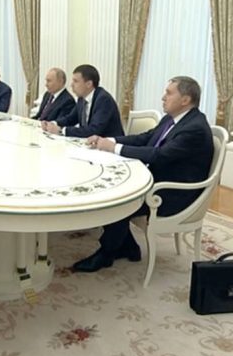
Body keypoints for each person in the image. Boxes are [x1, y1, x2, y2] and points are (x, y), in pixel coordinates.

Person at [73, 76, 214, 272]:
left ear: (185, 99)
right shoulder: (172, 118)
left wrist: (114, 148)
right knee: (112, 190)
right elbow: (146, 138)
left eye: (169, 93)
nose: (163, 97)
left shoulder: (194, 128)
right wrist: (110, 140)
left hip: (173, 193)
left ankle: (106, 254)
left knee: (116, 201)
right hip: (158, 178)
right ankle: (127, 247)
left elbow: (159, 155)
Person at [42, 64, 124, 138]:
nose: (71, 85)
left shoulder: (103, 100)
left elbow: (94, 130)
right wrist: (53, 123)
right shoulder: (81, 98)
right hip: (89, 143)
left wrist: (62, 130)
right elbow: (71, 119)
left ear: (89, 84)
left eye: (76, 81)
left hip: (108, 145)